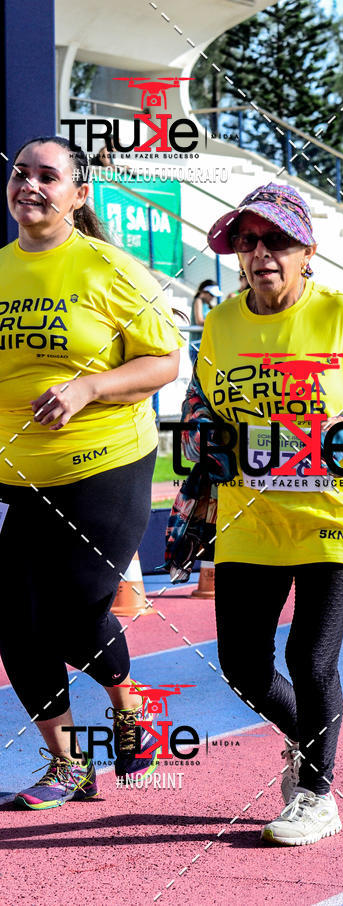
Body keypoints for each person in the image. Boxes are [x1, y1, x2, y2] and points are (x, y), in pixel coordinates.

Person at [181, 182, 343, 846]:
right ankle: (308, 739)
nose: (261, 253)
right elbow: (199, 405)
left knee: (310, 659)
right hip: (249, 520)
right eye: (248, 241)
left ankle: (317, 795)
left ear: (308, 250)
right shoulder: (221, 323)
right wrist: (205, 437)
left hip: (331, 515)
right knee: (242, 666)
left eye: (278, 241)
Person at [0, 135, 185, 809]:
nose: (30, 184)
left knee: (71, 616)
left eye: (47, 176)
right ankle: (67, 764)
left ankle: (127, 703)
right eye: (21, 173)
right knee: (14, 620)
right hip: (19, 472)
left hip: (104, 464)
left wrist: (87, 388)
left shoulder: (111, 269)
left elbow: (165, 362)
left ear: (79, 195)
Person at [189, 279, 222, 365]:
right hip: (197, 346)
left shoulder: (208, 305)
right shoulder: (198, 301)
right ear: (204, 291)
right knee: (199, 373)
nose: (213, 297)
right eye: (211, 294)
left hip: (206, 346)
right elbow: (199, 321)